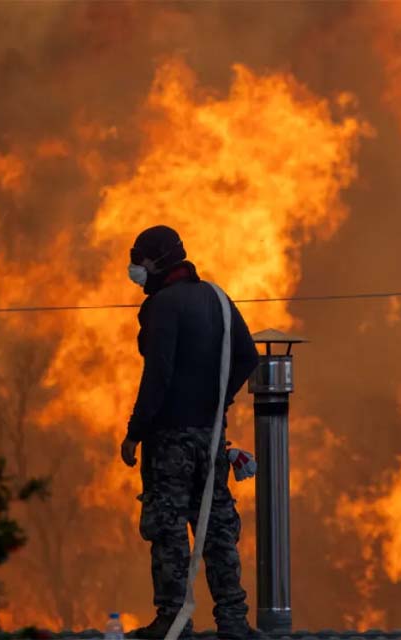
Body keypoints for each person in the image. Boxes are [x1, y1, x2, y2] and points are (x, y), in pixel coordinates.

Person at [119, 225, 260, 640]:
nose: (135, 269)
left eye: (139, 260)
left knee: (168, 528)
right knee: (215, 526)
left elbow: (157, 374)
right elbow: (248, 356)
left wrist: (135, 432)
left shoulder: (163, 306)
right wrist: (218, 402)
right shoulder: (218, 299)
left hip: (169, 439)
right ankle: (233, 622)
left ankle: (172, 621)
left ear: (159, 261)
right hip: (211, 435)